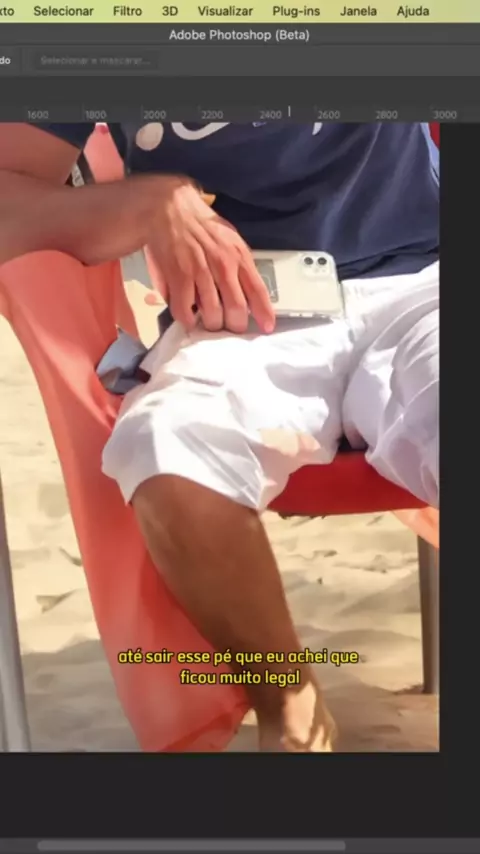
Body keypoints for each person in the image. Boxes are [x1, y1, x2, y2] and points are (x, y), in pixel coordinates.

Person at [0, 121, 439, 752]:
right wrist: (146, 203)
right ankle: (288, 705)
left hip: (424, 278)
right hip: (240, 309)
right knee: (164, 446)